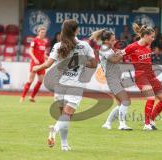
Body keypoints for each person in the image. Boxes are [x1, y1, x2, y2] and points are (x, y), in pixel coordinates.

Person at [32, 19, 97, 151]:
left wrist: (37, 68)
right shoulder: (84, 45)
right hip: (75, 85)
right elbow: (94, 64)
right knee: (66, 117)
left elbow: (48, 64)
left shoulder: (58, 46)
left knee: (64, 116)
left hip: (59, 85)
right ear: (76, 30)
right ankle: (54, 130)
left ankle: (64, 145)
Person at [121, 23, 162, 130]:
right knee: (151, 97)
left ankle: (151, 119)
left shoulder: (148, 44)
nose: (153, 39)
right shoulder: (132, 47)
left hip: (150, 75)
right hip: (141, 76)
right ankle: (147, 125)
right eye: (152, 36)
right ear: (146, 36)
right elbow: (120, 54)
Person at [90, 29, 132, 130]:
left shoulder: (108, 48)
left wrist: (118, 53)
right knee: (125, 101)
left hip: (116, 78)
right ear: (106, 41)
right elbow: (114, 60)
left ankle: (107, 123)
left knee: (121, 104)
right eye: (112, 40)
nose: (115, 41)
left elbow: (116, 59)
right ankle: (122, 125)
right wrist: (123, 52)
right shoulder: (105, 49)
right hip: (112, 79)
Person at [20, 26, 48, 102]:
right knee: (30, 80)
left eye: (44, 32)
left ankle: (32, 97)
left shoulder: (44, 42)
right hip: (35, 64)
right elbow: (30, 51)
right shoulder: (35, 40)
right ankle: (22, 97)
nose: (43, 34)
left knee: (40, 81)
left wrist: (48, 58)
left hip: (42, 64)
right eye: (41, 32)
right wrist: (35, 59)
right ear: (38, 32)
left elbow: (43, 54)